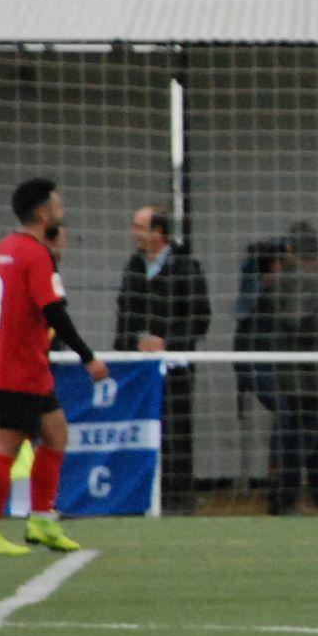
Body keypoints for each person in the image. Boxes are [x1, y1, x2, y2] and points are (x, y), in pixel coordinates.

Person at [0, 179, 109, 556]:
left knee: (56, 435)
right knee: (6, 448)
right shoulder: (35, 254)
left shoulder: (0, 251)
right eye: (57, 205)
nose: (61, 211)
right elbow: (53, 310)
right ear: (43, 213)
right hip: (20, 369)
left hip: (22, 366)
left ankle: (41, 521)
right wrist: (88, 357)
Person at [114, 204, 212, 514]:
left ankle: (178, 498)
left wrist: (167, 341)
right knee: (139, 428)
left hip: (175, 367)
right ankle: (137, 495)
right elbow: (123, 316)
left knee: (176, 430)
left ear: (159, 232)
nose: (134, 233)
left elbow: (200, 318)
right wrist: (128, 346)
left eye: (139, 227)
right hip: (138, 369)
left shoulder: (186, 267)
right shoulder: (133, 267)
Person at [260, 223, 318, 517]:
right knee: (303, 437)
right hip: (306, 373)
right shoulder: (303, 279)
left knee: (308, 434)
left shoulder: (289, 278)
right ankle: (285, 499)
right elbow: (296, 319)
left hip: (303, 371)